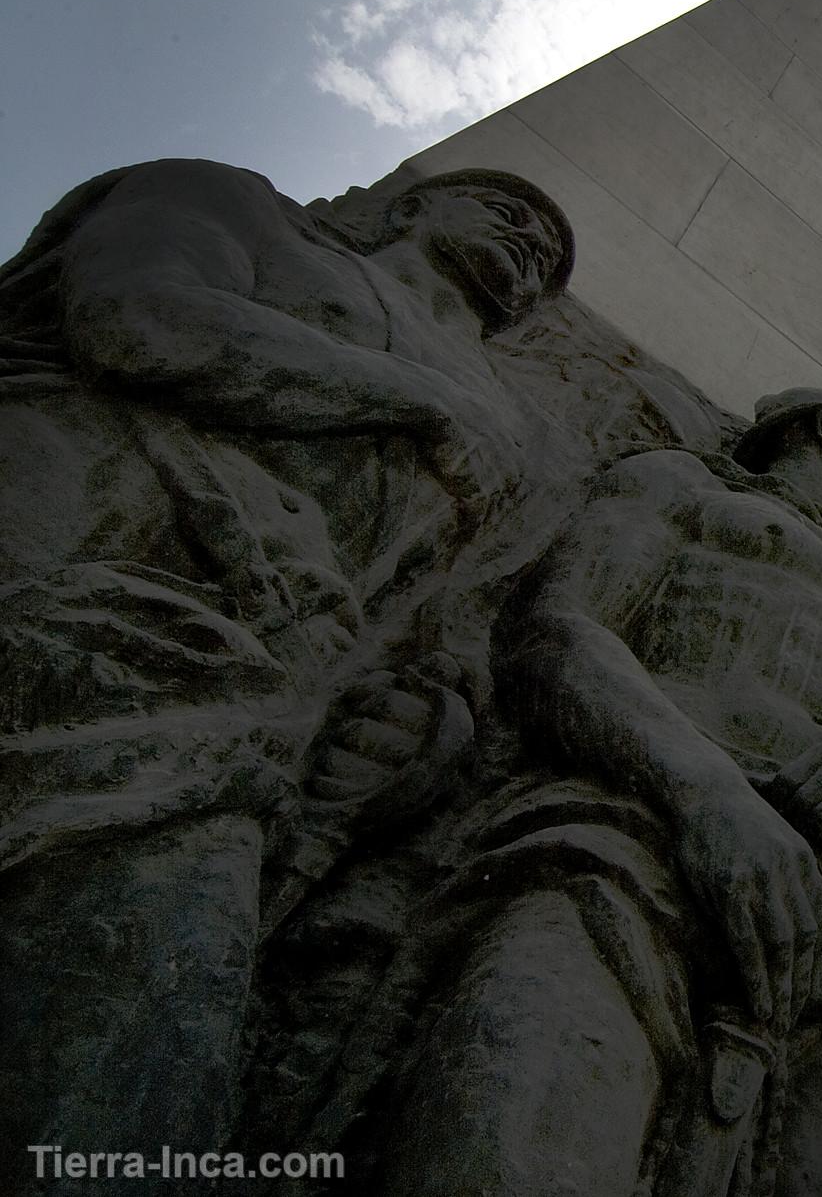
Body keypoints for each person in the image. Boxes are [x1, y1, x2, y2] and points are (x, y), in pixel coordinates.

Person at [0, 159, 574, 1173]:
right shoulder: (238, 206)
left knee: (138, 1073)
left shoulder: (513, 434)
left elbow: (443, 625)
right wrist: (417, 402)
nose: (531, 244)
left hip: (235, 706)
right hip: (53, 544)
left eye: (549, 257)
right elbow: (136, 318)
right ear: (408, 204)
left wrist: (423, 731)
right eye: (507, 209)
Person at [369, 389, 822, 1197]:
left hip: (813, 965)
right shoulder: (681, 485)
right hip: (617, 849)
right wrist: (710, 795)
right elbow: (556, 631)